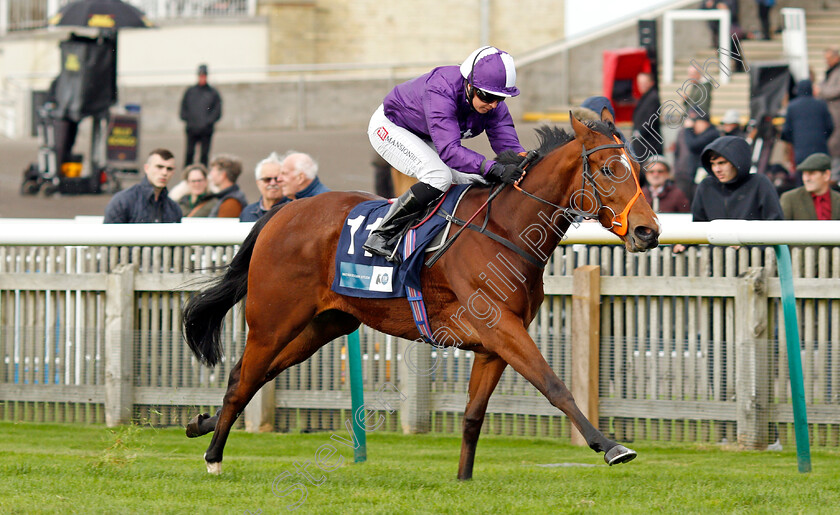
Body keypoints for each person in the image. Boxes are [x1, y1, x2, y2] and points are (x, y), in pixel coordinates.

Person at [363, 46, 526, 262]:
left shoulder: (492, 105)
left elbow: (508, 146)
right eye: (487, 96)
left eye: (500, 98)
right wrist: (493, 167)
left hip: (426, 136)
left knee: (477, 179)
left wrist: (524, 164)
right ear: (469, 85)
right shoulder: (441, 89)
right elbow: (450, 151)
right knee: (439, 176)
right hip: (391, 127)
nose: (493, 104)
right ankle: (382, 234)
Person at [692, 136, 783, 221]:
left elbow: (775, 223)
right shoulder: (706, 186)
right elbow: (698, 226)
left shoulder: (759, 183)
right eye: (713, 164)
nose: (717, 169)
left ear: (737, 161)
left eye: (722, 163)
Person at [104, 149, 182, 224]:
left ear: (173, 172)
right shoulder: (123, 201)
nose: (164, 173)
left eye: (169, 169)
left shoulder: (174, 208)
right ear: (147, 168)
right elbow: (109, 235)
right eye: (159, 167)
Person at [781, 80, 834, 167]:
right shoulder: (821, 104)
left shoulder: (792, 106)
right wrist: (822, 138)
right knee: (820, 175)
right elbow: (830, 127)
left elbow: (786, 131)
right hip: (820, 150)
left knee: (804, 177)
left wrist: (796, 141)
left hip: (800, 152)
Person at [180, 64, 223, 168]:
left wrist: (208, 122)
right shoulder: (190, 92)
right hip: (192, 128)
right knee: (189, 153)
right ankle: (187, 174)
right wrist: (188, 119)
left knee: (204, 155)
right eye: (200, 75)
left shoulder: (212, 93)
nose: (202, 78)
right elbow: (183, 107)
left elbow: (217, 110)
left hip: (206, 130)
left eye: (204, 75)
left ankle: (203, 175)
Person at [673, 110, 720, 202]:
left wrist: (688, 129)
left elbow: (693, 145)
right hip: (691, 173)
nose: (694, 126)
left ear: (705, 123)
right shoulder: (703, 134)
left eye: (696, 123)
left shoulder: (712, 133)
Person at [780, 153, 840, 220]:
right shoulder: (790, 198)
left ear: (826, 175)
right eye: (804, 174)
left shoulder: (837, 199)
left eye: (812, 174)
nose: (806, 179)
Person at [240, 152, 290, 222]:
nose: (272, 183)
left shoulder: (293, 211)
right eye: (267, 179)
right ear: (258, 183)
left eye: (277, 179)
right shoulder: (248, 212)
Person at [816, 46, 840, 181]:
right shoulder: (830, 72)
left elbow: (834, 90)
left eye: (829, 58)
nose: (827, 61)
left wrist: (820, 91)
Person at [631, 72, 663, 158]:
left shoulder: (653, 97)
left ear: (651, 83)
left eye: (644, 83)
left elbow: (651, 118)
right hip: (643, 143)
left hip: (649, 143)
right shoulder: (645, 97)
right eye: (640, 83)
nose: (641, 85)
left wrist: (639, 132)